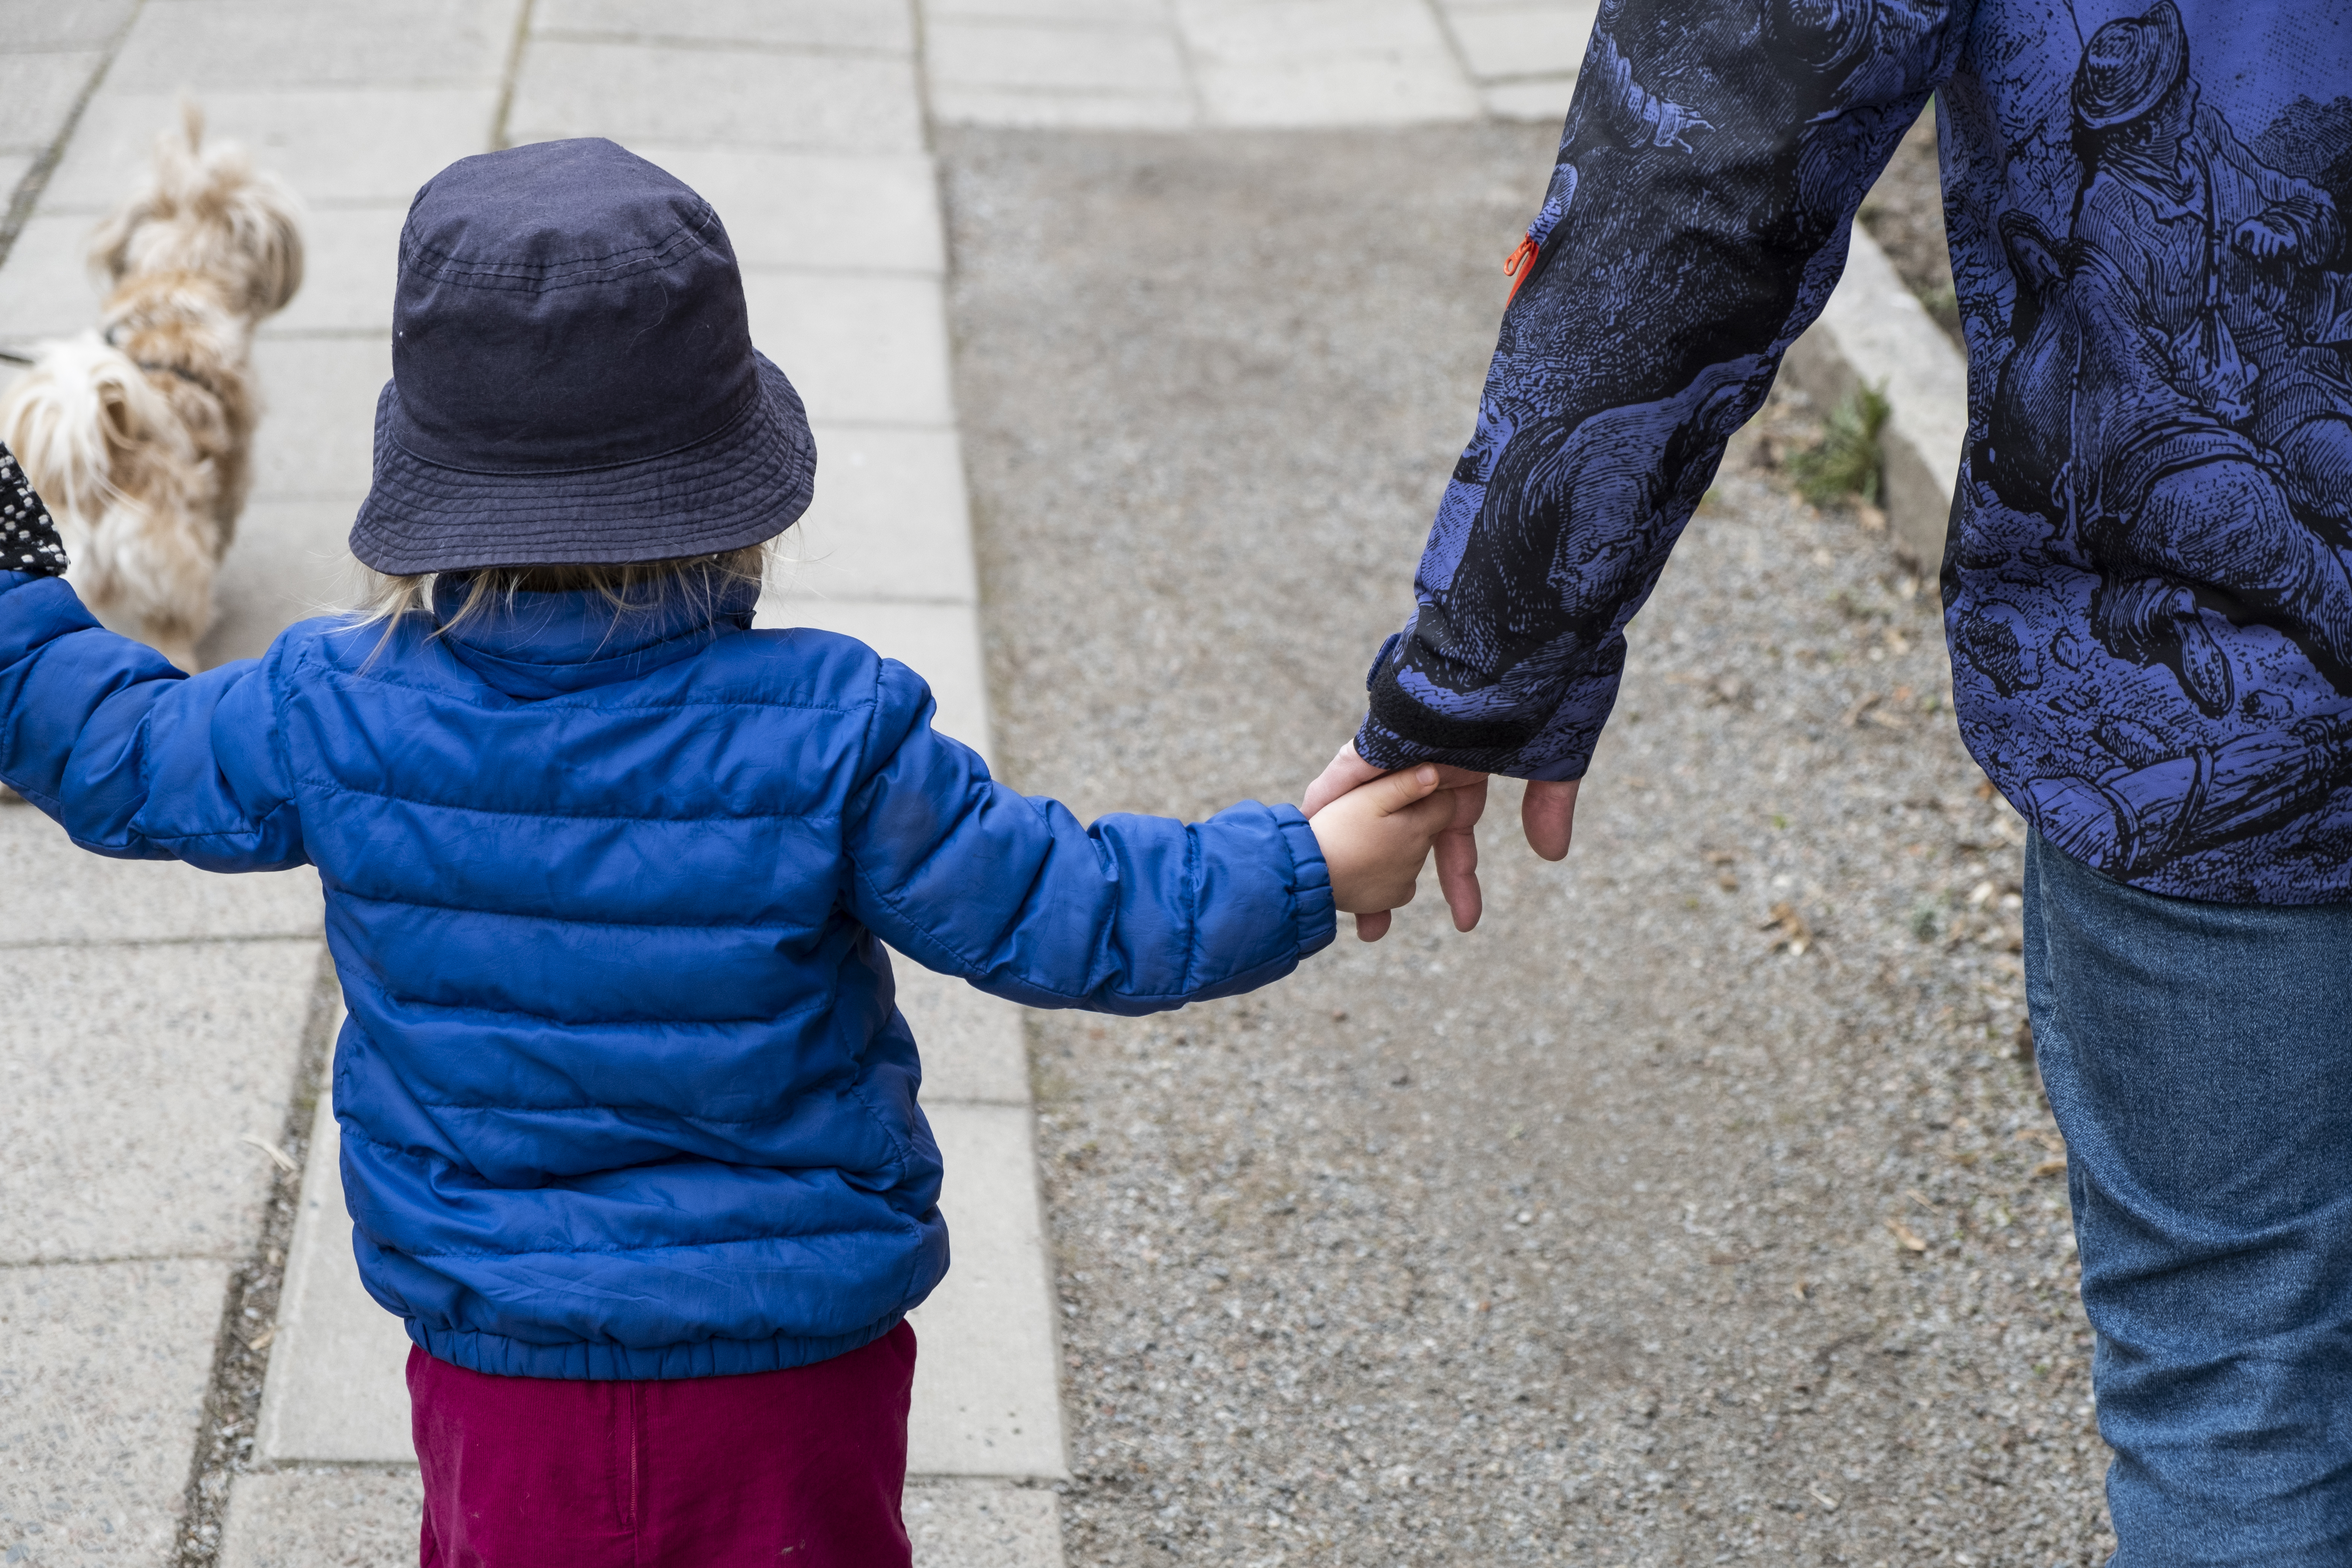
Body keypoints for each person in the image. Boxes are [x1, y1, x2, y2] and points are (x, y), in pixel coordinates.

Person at [0, 139, 1462, 1568]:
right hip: (791, 1369)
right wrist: (1306, 864)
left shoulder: (335, 705)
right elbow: (1068, 904)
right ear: (729, 479)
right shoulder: (833, 729)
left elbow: (118, 748)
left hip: (503, 1362)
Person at [1308, 0, 2352, 1560]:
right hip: (2234, 681)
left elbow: (1721, 145)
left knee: (2241, 1377)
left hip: (2243, 705)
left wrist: (1488, 654)